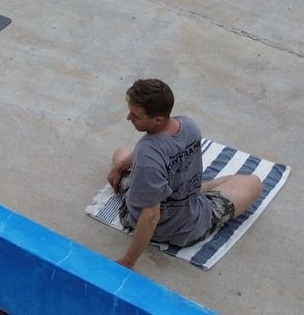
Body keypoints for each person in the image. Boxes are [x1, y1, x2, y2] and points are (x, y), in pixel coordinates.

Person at [106, 78, 263, 268]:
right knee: (253, 182)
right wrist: (123, 164)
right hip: (192, 220)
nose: (128, 118)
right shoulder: (188, 125)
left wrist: (127, 262)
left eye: (135, 115)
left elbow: (151, 217)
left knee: (120, 151)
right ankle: (199, 189)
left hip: (159, 225)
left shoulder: (147, 155)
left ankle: (192, 190)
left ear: (158, 120)